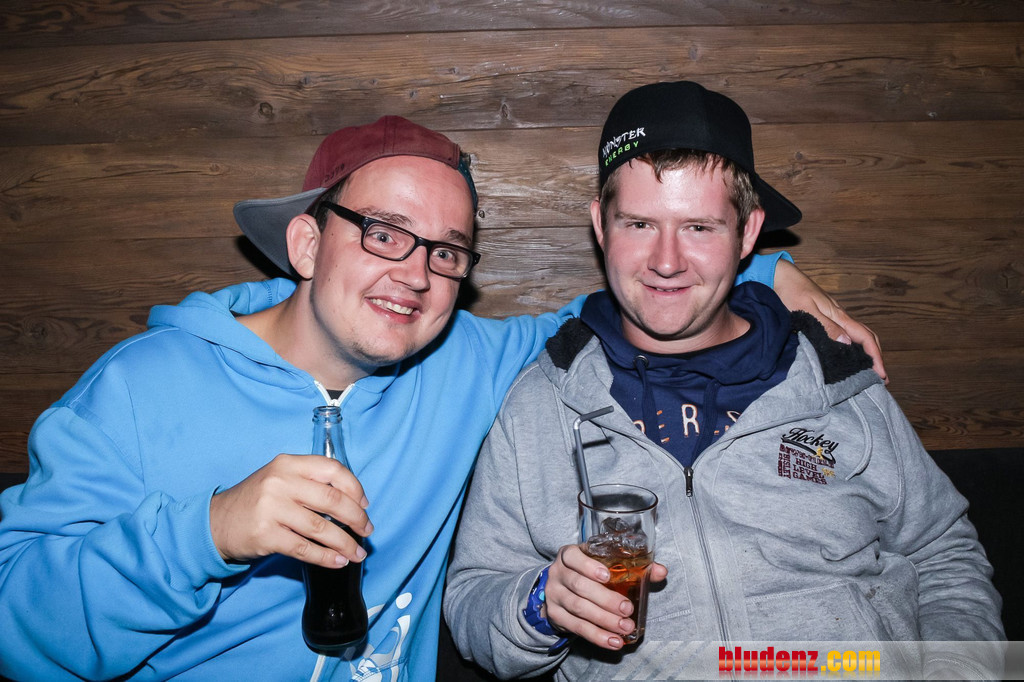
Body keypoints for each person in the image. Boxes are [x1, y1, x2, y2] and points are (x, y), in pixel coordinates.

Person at [0, 114, 876, 682]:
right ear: (306, 244)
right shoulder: (143, 386)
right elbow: (14, 628)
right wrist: (207, 533)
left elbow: (642, 294)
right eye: (385, 234)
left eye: (446, 252)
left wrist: (766, 271)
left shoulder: (468, 362)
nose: (416, 275)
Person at [443, 81, 1004, 680]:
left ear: (749, 234)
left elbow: (943, 553)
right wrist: (541, 603)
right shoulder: (540, 403)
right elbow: (475, 594)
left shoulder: (836, 380)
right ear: (601, 227)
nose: (666, 261)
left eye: (700, 228)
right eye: (639, 224)